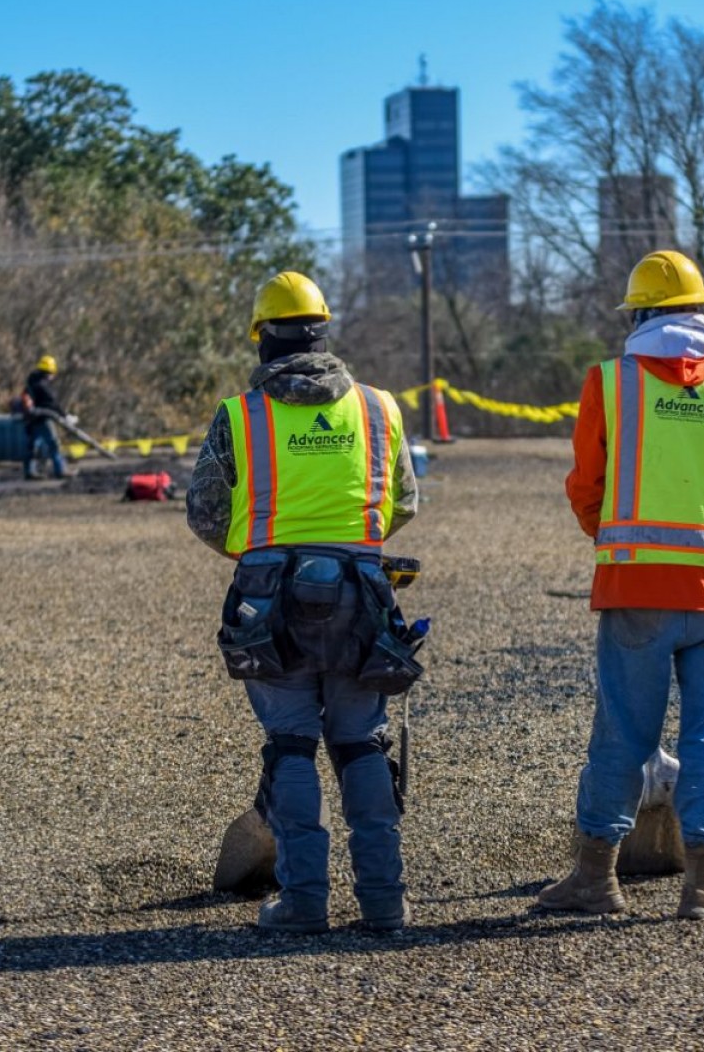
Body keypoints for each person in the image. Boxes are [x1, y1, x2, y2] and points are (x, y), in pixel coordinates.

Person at [541, 249, 704, 920]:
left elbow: (585, 486)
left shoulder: (609, 383)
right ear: (703, 312)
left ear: (640, 313)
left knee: (622, 733)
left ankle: (595, 879)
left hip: (636, 591)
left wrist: (618, 543)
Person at [186, 271, 420, 934]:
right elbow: (402, 502)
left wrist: (261, 553)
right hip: (360, 596)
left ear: (262, 339)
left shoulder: (239, 414)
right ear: (322, 331)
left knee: (290, 743)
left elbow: (204, 514)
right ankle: (382, 902)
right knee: (360, 742)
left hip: (269, 602)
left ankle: (304, 901)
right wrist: (347, 548)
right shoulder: (379, 409)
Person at [23, 354, 67, 480]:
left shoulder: (31, 382)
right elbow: (52, 403)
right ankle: (60, 470)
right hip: (42, 418)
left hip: (30, 419)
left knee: (30, 447)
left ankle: (29, 472)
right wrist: (64, 415)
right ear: (50, 372)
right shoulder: (43, 385)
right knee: (54, 444)